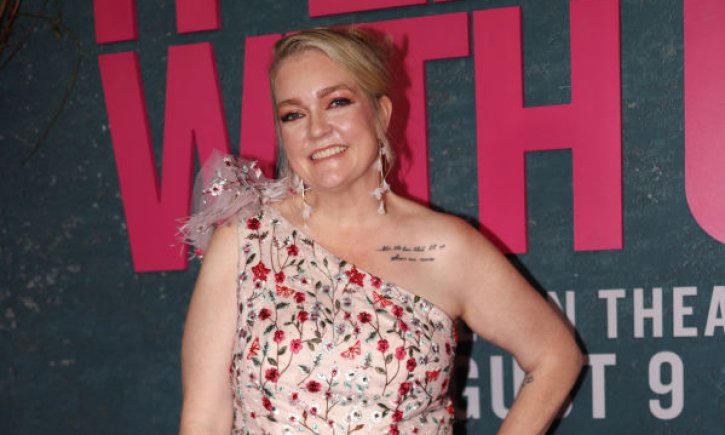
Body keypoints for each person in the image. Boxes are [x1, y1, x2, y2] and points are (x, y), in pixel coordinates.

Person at [179, 27, 583, 435]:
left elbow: (555, 355)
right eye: (293, 114)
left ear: (381, 113)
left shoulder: (443, 247)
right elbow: (204, 419)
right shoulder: (245, 240)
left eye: (337, 102)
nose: (317, 130)